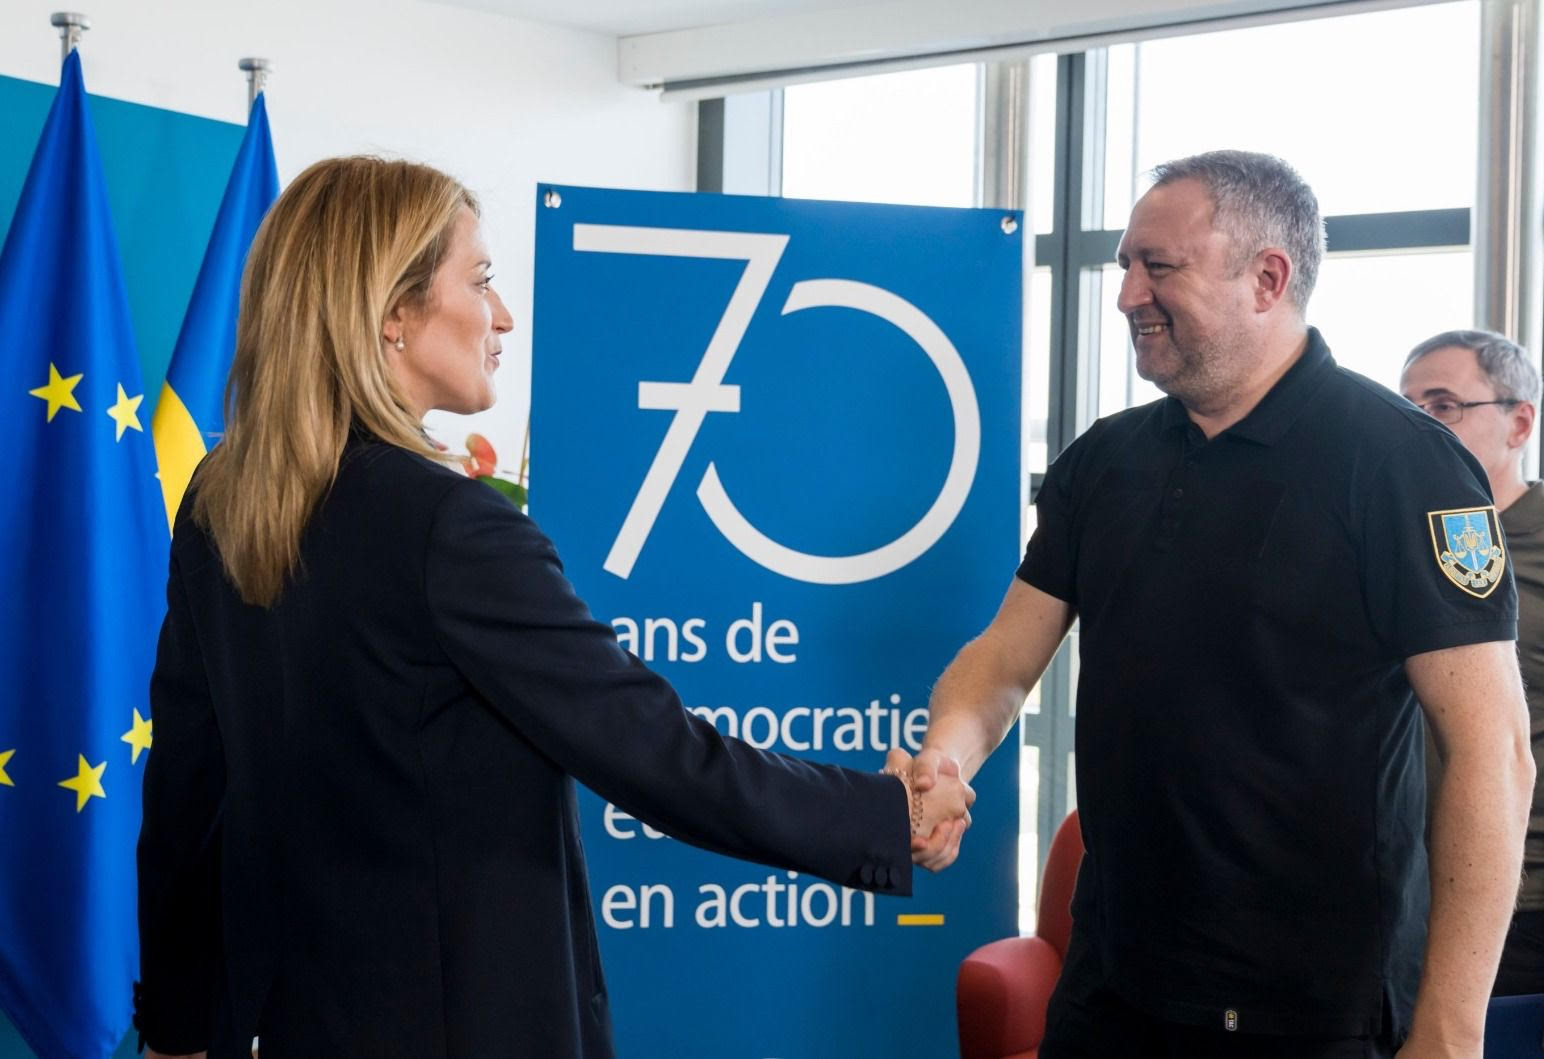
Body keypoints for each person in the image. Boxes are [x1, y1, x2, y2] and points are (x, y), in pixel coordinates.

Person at [133, 156, 973, 1059]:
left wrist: (176, 1027)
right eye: (480, 280)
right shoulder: (450, 528)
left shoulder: (221, 500)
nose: (502, 315)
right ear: (392, 314)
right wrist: (887, 815)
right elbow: (656, 748)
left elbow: (187, 789)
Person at [899, 151, 1533, 1057]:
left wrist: (1451, 1025)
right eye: (1125, 264)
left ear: (1267, 278)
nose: (1127, 294)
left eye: (1159, 266)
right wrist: (946, 757)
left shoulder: (1405, 465)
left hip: (1312, 1009)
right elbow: (1003, 661)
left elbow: (1491, 751)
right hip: (1112, 989)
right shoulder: (1104, 461)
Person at [1401, 329, 1544, 997]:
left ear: (1520, 423)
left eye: (1444, 405)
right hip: (1398, 888)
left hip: (1523, 899)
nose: (1420, 426)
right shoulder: (1391, 537)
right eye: (1407, 408)